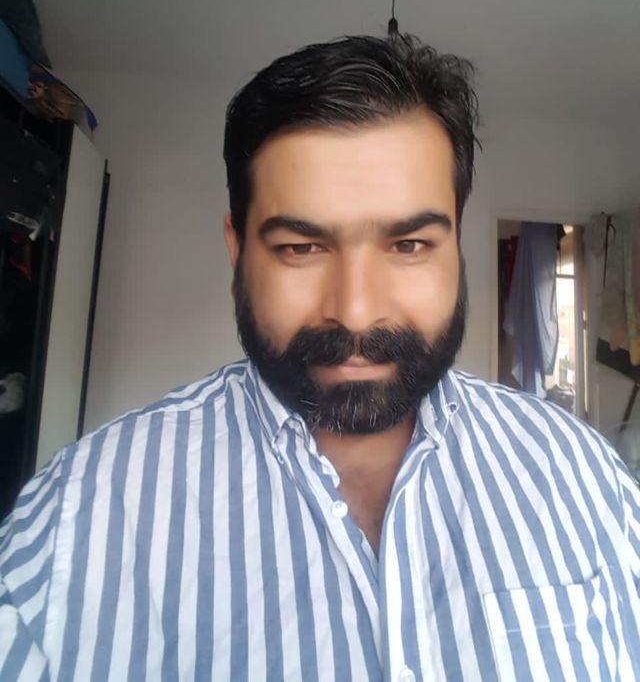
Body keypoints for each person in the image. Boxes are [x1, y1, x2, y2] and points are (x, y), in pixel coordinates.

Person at [1, 35, 638, 681]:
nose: (356, 313)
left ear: (456, 247)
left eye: (409, 245)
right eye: (301, 248)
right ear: (237, 251)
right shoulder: (80, 518)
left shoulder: (583, 476)